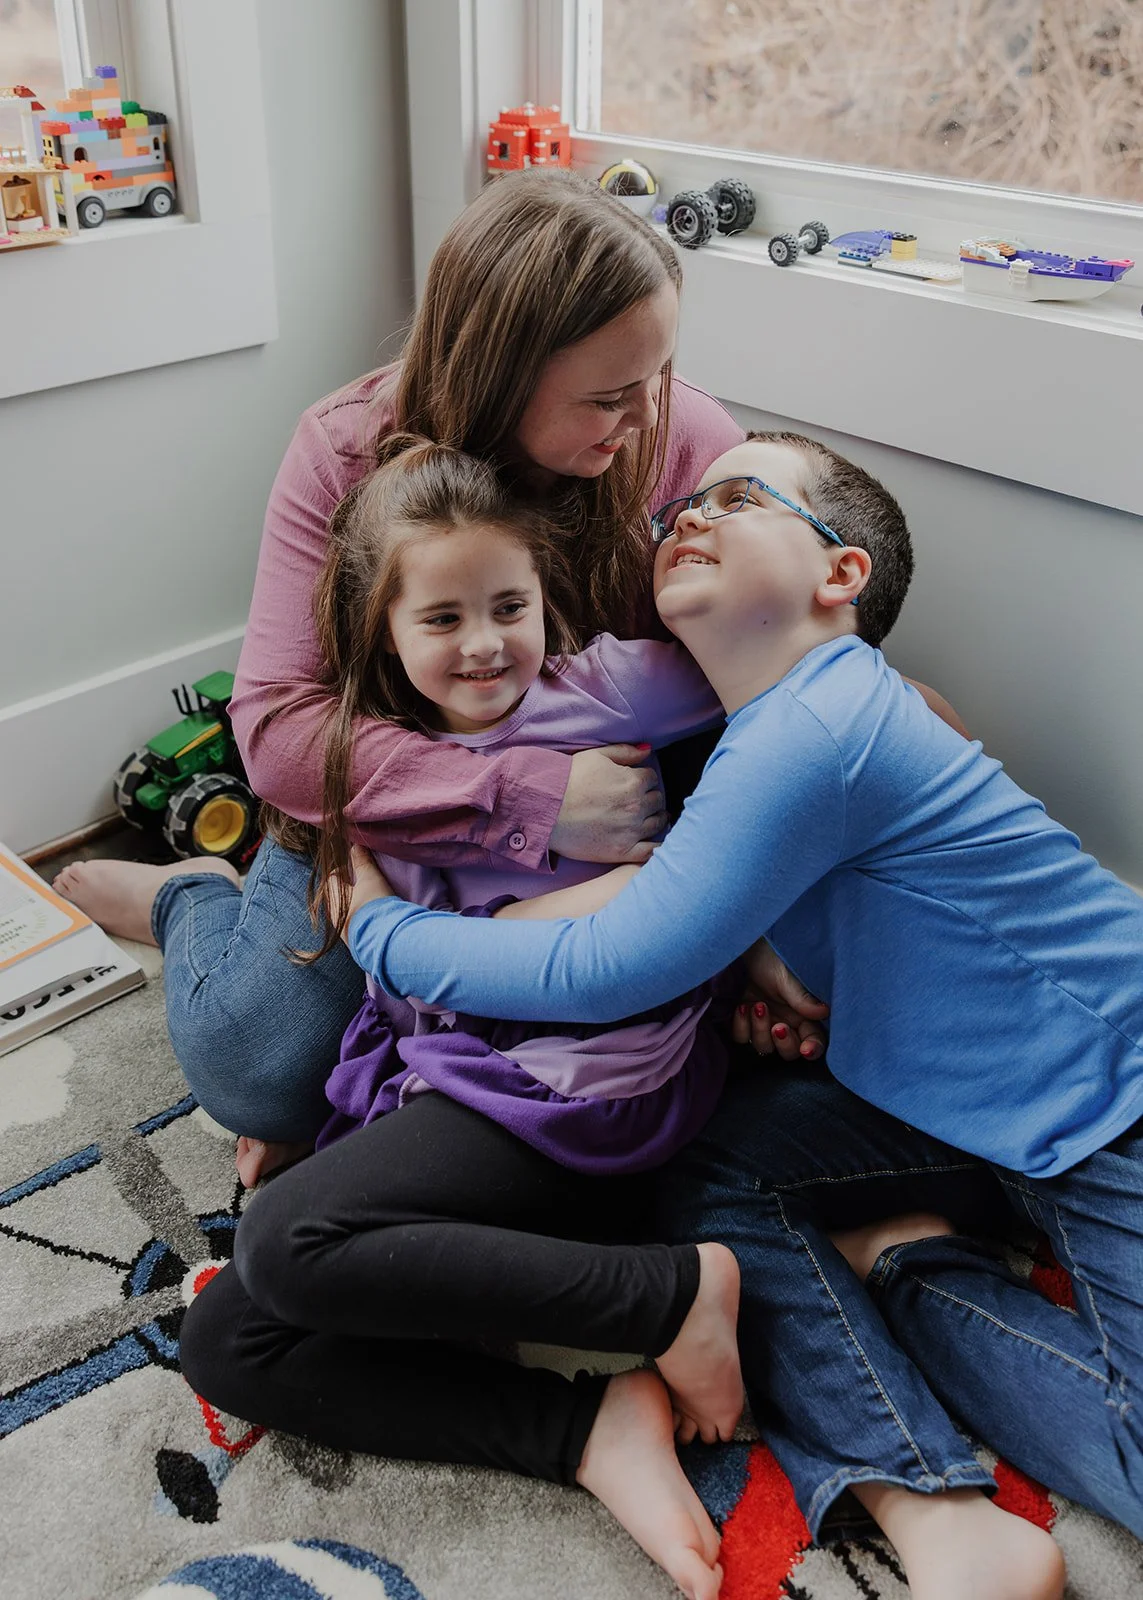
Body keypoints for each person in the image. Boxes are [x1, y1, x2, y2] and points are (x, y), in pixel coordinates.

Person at [334, 430, 1143, 1597]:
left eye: (740, 495)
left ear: (839, 575)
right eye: (682, 509)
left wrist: (381, 932)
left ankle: (914, 1266)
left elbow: (613, 962)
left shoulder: (824, 717)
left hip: (1115, 1092)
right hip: (966, 1114)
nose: (688, 517)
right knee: (704, 1169)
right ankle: (924, 1496)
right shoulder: (761, 737)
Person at [52, 165, 743, 1184]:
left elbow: (773, 675)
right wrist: (527, 798)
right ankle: (192, 896)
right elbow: (280, 728)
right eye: (608, 395)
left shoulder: (685, 440)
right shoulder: (342, 449)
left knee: (679, 1035)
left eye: (660, 376)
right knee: (262, 1074)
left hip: (603, 830)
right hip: (387, 819)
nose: (647, 417)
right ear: (503, 372)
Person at [180, 435, 750, 1600]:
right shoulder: (386, 767)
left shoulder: (598, 687)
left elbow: (773, 679)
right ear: (382, 631)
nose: (487, 641)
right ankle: (582, 1429)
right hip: (469, 1079)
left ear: (547, 596)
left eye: (510, 604)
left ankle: (670, 1295)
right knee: (228, 1338)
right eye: (442, 619)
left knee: (288, 1236)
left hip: (585, 1084)